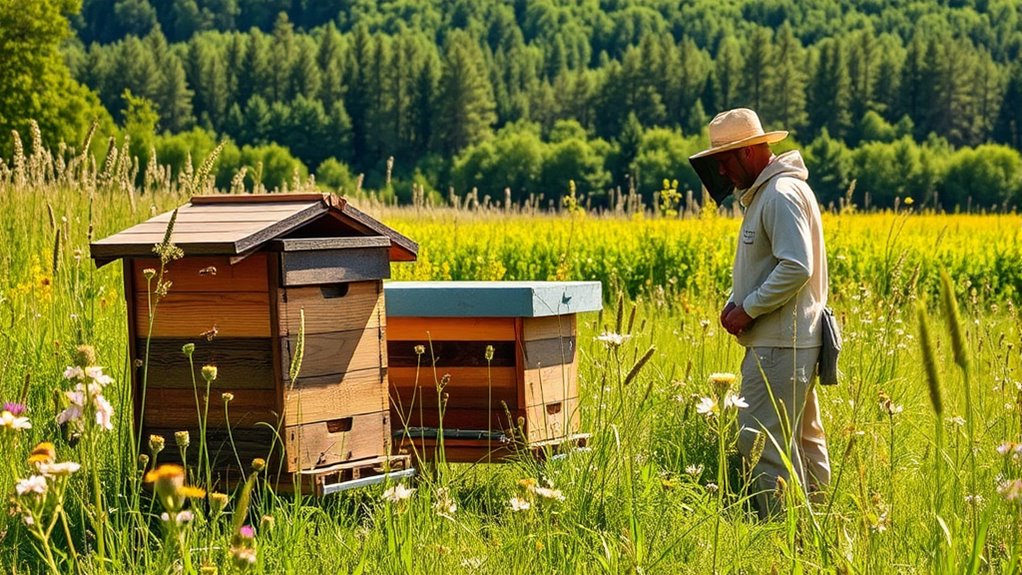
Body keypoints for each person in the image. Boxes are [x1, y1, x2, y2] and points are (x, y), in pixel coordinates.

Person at [689, 108, 831, 517]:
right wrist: (739, 300)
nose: (723, 172)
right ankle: (817, 535)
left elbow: (797, 266)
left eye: (725, 161)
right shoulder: (774, 192)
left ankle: (783, 540)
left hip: (779, 346)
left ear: (750, 152)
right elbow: (775, 264)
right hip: (788, 341)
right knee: (804, 442)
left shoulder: (780, 194)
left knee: (760, 443)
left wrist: (748, 308)